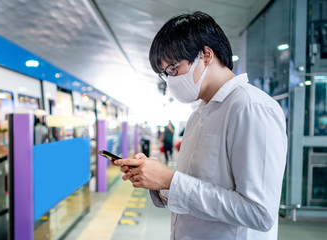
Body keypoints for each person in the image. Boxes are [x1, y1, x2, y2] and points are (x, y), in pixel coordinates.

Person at [112, 11, 287, 240]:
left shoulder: (250, 107)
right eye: (166, 74)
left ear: (206, 54)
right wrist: (156, 180)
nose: (171, 79)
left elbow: (259, 212)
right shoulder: (199, 114)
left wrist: (169, 179)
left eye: (173, 68)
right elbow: (196, 190)